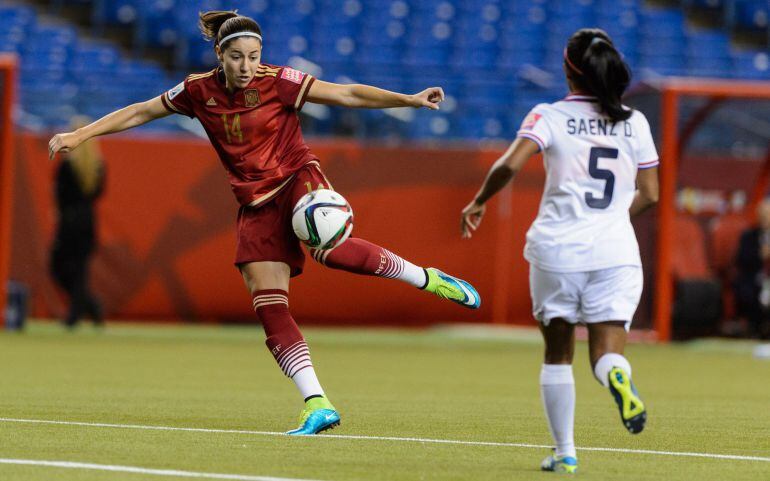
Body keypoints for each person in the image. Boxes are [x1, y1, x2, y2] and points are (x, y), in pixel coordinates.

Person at [48, 10, 480, 436]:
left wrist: (407, 99)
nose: (247, 66)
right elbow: (142, 112)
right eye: (238, 57)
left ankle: (426, 278)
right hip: (255, 204)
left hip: (297, 179)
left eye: (254, 56)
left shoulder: (280, 81)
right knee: (269, 306)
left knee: (333, 250)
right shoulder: (198, 91)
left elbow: (346, 94)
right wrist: (80, 135)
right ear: (220, 54)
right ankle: (318, 404)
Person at [460, 28, 659, 474]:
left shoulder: (548, 115)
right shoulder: (634, 121)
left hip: (558, 251)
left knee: (557, 354)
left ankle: (565, 451)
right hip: (615, 251)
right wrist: (608, 221)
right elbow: (651, 193)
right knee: (607, 353)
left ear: (569, 71)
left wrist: (479, 202)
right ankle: (619, 379)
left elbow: (509, 164)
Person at [50, 116, 105, 329]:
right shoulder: (97, 165)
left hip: (69, 222)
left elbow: (60, 196)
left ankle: (79, 312)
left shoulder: (67, 166)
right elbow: (99, 193)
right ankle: (88, 307)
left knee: (59, 266)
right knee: (80, 270)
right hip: (88, 221)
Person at [734, 197, 770, 339]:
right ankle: (755, 331)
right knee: (748, 290)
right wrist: (760, 255)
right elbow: (741, 260)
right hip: (755, 279)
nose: (765, 219)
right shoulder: (749, 236)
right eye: (762, 216)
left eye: (768, 215)